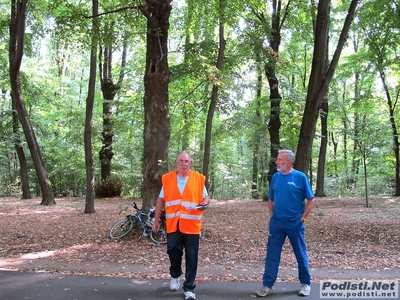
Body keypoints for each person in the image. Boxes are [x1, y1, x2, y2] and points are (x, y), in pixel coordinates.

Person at [255, 149, 315, 297]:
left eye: (280, 160)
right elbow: (270, 198)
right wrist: (271, 215)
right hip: (276, 223)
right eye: (277, 159)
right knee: (272, 254)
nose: (277, 162)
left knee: (300, 253)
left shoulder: (300, 177)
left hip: (294, 223)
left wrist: (302, 219)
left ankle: (305, 283)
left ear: (289, 162)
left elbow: (311, 200)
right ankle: (268, 285)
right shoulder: (276, 177)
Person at [152, 150, 210, 300]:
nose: (184, 164)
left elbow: (206, 197)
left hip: (192, 226)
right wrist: (156, 220)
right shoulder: (168, 179)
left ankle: (189, 288)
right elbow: (161, 201)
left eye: (187, 161)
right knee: (173, 251)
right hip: (173, 225)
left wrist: (205, 203)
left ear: (190, 163)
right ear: (176, 163)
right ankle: (175, 275)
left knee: (192, 257)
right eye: (181, 161)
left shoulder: (198, 179)